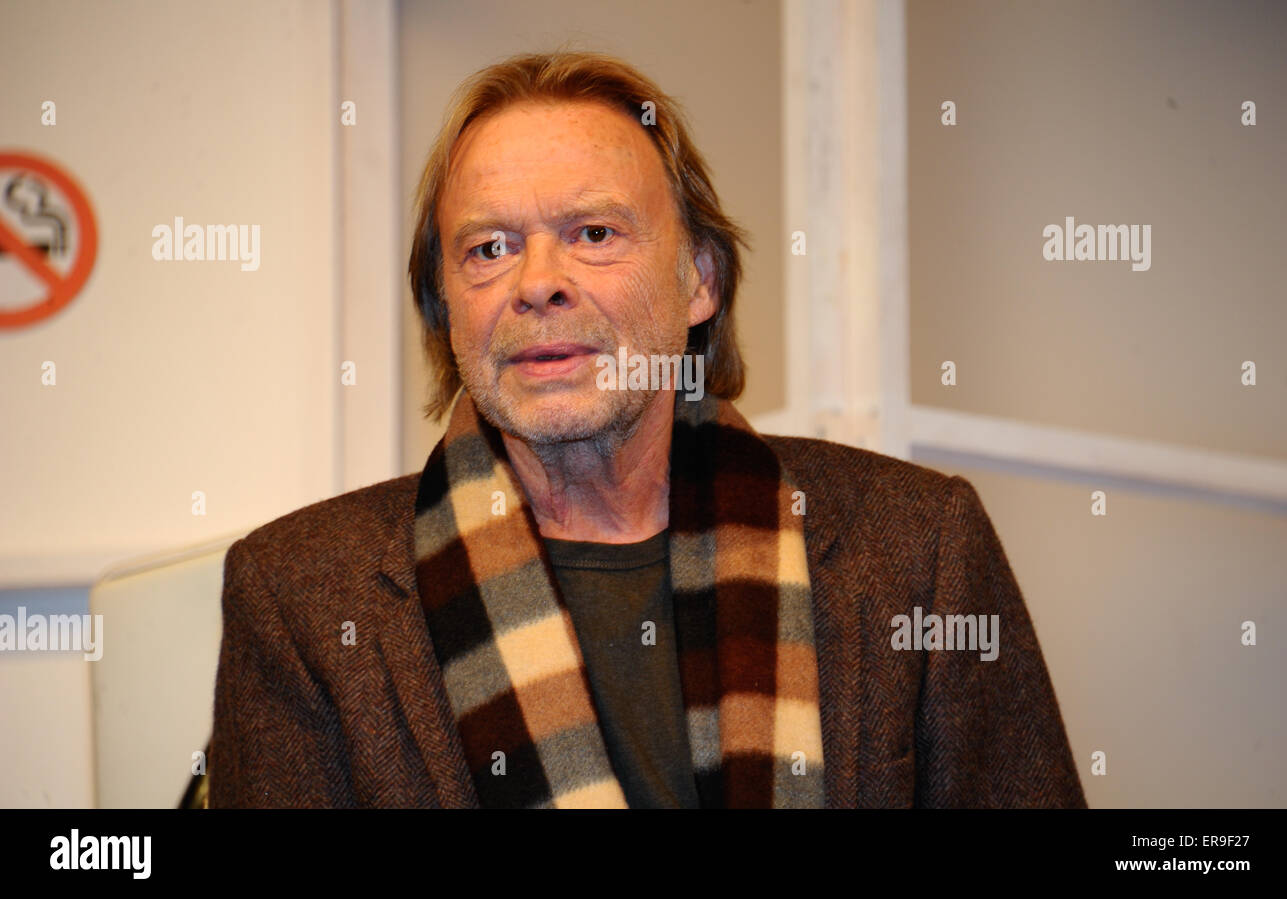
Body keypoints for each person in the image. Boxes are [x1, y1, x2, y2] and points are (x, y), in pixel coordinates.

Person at [209, 49, 1086, 809]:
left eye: (594, 232)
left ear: (699, 281)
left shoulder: (918, 544)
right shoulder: (297, 599)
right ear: (445, 311)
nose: (537, 282)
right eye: (488, 248)